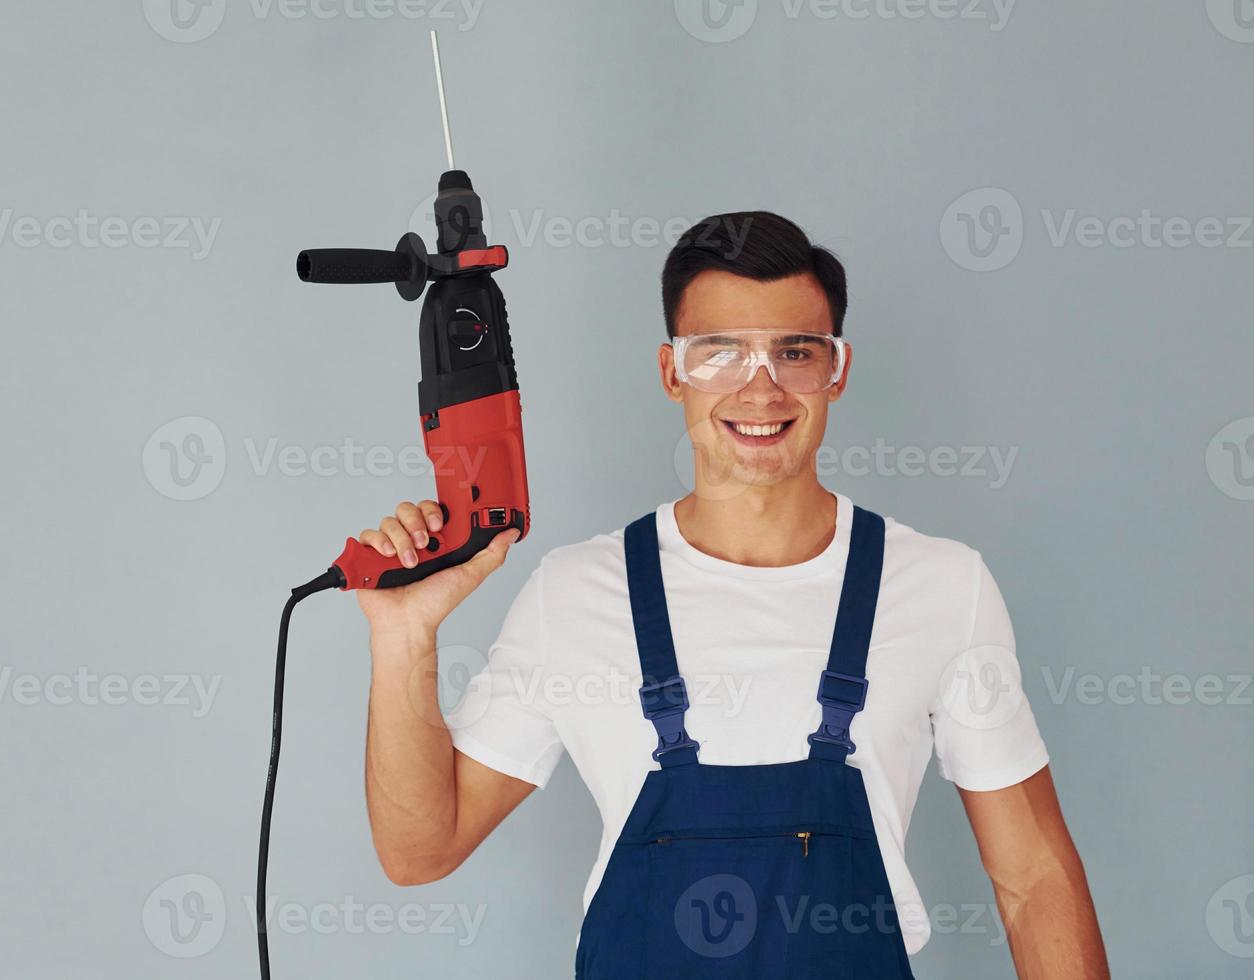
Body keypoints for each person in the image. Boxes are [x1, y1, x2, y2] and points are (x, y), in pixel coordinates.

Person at [350, 212, 1110, 978]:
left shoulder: (945, 587)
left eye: (795, 352)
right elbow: (421, 851)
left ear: (837, 370)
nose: (760, 386)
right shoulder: (574, 594)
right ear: (671, 370)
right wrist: (403, 635)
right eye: (720, 352)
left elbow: (1034, 881)